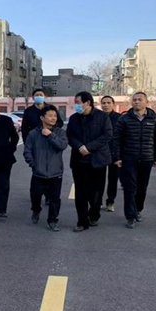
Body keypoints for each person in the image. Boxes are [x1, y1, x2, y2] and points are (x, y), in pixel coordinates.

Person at [113, 92, 156, 229]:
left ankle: (138, 209)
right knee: (129, 188)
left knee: (142, 187)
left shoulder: (154, 119)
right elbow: (117, 139)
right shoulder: (124, 119)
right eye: (134, 100)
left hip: (146, 158)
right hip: (129, 158)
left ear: (146, 102)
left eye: (140, 99)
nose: (137, 102)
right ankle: (130, 216)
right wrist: (117, 157)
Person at [67, 91, 112, 232]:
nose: (76, 105)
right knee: (80, 192)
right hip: (79, 160)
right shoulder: (74, 118)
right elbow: (70, 135)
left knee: (96, 193)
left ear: (87, 103)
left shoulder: (102, 116)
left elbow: (107, 135)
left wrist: (89, 147)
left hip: (97, 160)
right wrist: (79, 146)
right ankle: (82, 221)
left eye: (78, 102)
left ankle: (94, 214)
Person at [24, 105, 68, 232]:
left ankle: (52, 220)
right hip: (38, 172)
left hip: (55, 172)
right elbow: (27, 151)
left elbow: (62, 145)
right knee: (35, 195)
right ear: (42, 118)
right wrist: (33, 164)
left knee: (55, 198)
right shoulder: (33, 134)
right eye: (50, 116)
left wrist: (50, 135)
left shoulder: (60, 132)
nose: (53, 118)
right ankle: (36, 210)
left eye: (55, 116)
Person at [100, 95, 122, 212]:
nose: (106, 105)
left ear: (113, 104)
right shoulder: (97, 117)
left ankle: (110, 201)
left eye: (108, 103)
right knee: (99, 180)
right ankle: (98, 201)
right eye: (104, 103)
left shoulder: (119, 118)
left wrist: (120, 155)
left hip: (115, 154)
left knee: (113, 180)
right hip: (100, 153)